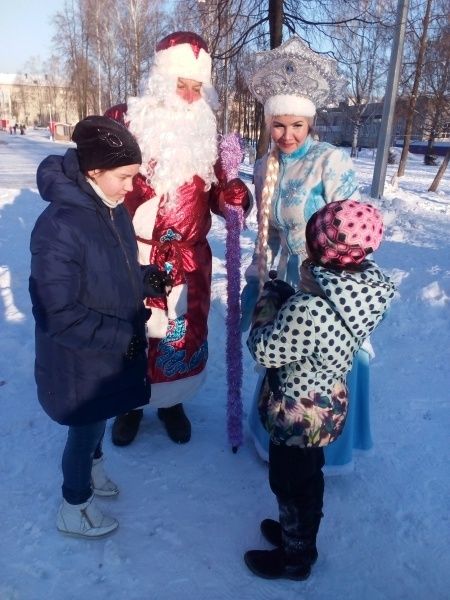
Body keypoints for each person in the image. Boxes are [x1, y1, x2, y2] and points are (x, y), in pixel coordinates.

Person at [105, 31, 251, 447]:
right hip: (135, 255)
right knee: (132, 333)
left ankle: (172, 402)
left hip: (187, 261)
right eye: (180, 85)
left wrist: (235, 195)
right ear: (161, 82)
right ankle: (130, 405)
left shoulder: (207, 134)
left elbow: (221, 194)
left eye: (197, 87)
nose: (188, 96)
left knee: (180, 333)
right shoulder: (127, 123)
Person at [29, 115, 170, 538]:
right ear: (94, 171)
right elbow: (58, 313)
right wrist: (124, 337)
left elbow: (114, 269)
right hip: (80, 357)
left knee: (100, 417)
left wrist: (145, 279)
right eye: (124, 177)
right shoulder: (59, 227)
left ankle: (94, 471)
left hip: (106, 350)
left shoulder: (110, 209)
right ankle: (74, 505)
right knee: (86, 427)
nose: (131, 186)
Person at [244, 199, 395, 580]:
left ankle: (295, 556)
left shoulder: (310, 308)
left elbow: (265, 349)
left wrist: (270, 302)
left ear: (320, 249)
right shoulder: (364, 292)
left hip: (296, 412)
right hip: (326, 404)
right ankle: (298, 533)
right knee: (309, 475)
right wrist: (294, 296)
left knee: (288, 482)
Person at [242, 36, 373, 472]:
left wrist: (342, 286)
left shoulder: (329, 160)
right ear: (268, 123)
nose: (287, 135)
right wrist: (260, 273)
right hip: (288, 277)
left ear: (310, 122)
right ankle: (280, 440)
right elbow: (270, 231)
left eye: (297, 125)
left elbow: (353, 224)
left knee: (324, 364)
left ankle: (326, 452)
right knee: (286, 358)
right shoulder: (264, 166)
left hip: (329, 282)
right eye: (278, 125)